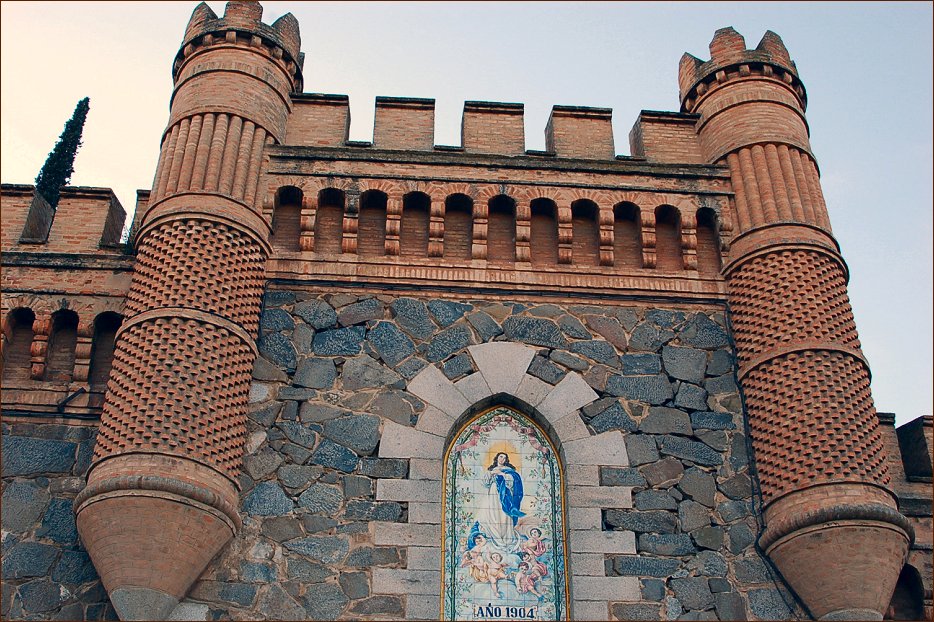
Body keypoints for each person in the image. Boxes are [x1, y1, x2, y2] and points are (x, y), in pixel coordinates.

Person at [478, 452, 524, 551]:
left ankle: (507, 539)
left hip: (505, 496)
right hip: (493, 495)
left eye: (504, 457)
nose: (502, 459)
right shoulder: (491, 470)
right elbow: (485, 483)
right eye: (500, 456)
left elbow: (513, 483)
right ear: (496, 458)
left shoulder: (509, 471)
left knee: (505, 516)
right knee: (493, 515)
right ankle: (496, 538)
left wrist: (502, 474)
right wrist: (491, 473)